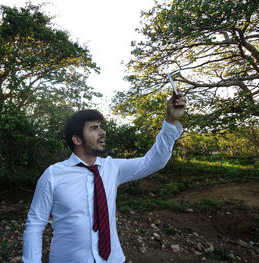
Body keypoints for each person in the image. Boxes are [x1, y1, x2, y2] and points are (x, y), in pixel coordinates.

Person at [23, 89, 187, 263]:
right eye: (94, 128)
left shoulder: (112, 168)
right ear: (77, 140)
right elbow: (35, 223)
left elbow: (154, 161)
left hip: (113, 258)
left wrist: (171, 121)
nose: (102, 132)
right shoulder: (53, 175)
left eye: (101, 127)